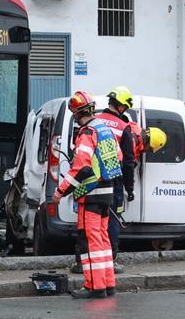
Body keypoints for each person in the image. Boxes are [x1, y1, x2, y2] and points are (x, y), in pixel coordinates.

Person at [52, 90, 122, 299]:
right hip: (107, 192)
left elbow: (81, 167)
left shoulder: (87, 133)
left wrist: (60, 191)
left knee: (90, 241)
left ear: (76, 113)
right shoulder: (105, 129)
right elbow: (117, 157)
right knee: (103, 239)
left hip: (91, 194)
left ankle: (94, 286)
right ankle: (108, 284)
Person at [96, 86, 142, 271]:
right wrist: (129, 188)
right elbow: (128, 161)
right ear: (122, 106)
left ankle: (82, 261)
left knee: (89, 222)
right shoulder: (124, 127)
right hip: (113, 180)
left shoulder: (94, 121)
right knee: (112, 220)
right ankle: (110, 261)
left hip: (91, 180)